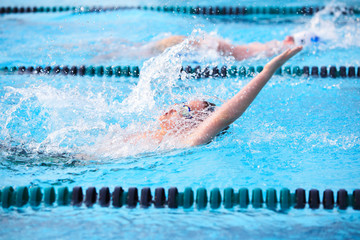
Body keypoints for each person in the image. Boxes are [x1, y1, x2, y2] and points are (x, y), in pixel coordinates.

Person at [126, 46, 303, 147]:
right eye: (180, 104)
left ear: (195, 127)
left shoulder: (185, 141)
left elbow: (226, 115)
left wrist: (267, 71)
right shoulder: (147, 132)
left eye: (184, 110)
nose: (173, 108)